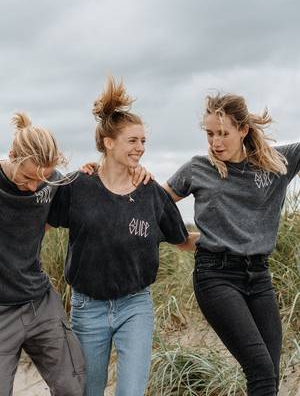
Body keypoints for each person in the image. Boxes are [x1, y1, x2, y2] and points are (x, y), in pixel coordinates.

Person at [47, 77, 198, 396]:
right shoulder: (78, 185)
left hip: (135, 305)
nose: (140, 148)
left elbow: (182, 239)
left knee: (131, 392)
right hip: (88, 306)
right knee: (90, 390)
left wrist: (225, 241)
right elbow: (42, 225)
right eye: (132, 141)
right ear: (108, 142)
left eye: (143, 141)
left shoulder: (150, 192)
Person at [164, 93, 300, 396]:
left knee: (271, 374)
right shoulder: (198, 168)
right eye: (211, 134)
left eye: (223, 133)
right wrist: (181, 238)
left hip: (259, 277)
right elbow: (156, 205)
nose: (216, 142)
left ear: (243, 130)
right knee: (261, 371)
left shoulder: (277, 163)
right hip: (216, 277)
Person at [0, 112, 85, 396]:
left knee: (72, 387)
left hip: (40, 302)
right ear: (12, 155)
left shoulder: (51, 183)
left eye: (43, 178)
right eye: (28, 177)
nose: (35, 187)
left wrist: (95, 169)